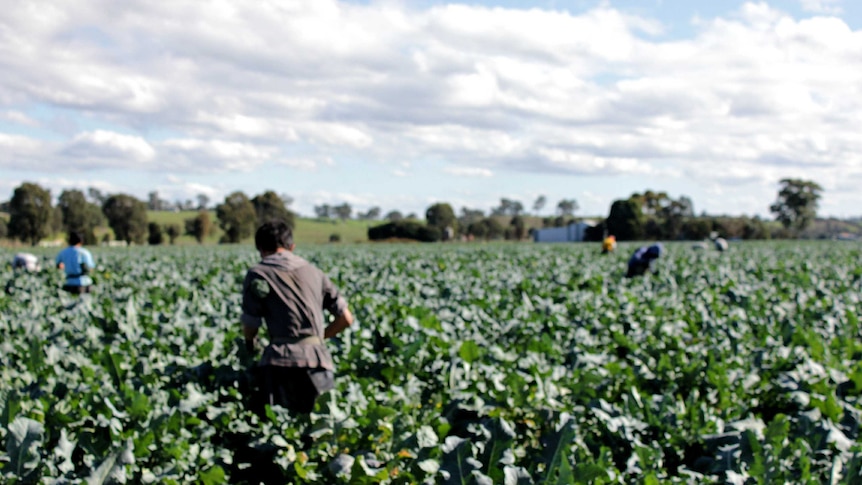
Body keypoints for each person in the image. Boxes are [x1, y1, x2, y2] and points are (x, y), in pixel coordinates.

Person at [240, 220, 354, 414]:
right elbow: (346, 318)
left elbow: (251, 325)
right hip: (317, 361)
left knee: (279, 430)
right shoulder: (315, 272)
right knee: (321, 431)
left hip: (278, 362)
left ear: (260, 248)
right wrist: (317, 340)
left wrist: (250, 345)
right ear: (292, 247)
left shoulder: (258, 273)